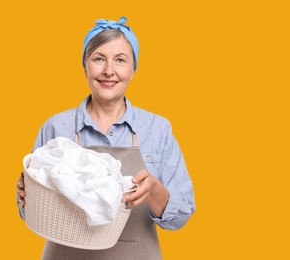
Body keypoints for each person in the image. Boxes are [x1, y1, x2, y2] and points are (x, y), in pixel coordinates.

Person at [16, 16, 196, 259]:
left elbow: (181, 214)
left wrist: (153, 192)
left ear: (133, 69)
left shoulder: (157, 129)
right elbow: (30, 213)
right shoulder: (56, 127)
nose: (108, 70)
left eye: (120, 60)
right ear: (85, 65)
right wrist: (28, 196)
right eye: (98, 59)